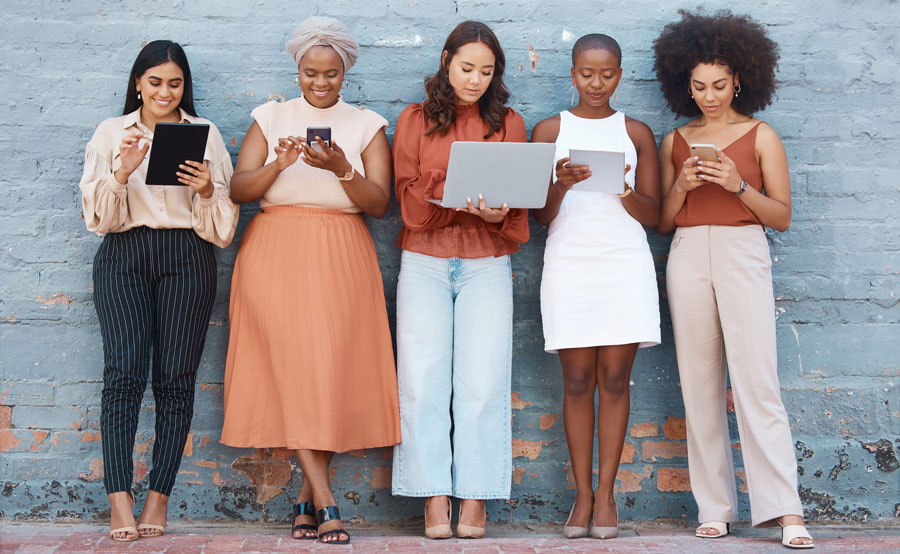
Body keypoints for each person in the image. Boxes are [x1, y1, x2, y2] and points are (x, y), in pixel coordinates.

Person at [219, 16, 400, 545]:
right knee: (290, 369)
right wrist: (279, 165)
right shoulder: (271, 116)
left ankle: (304, 498)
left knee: (327, 372)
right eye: (309, 73)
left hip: (341, 250)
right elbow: (238, 189)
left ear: (345, 73)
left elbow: (379, 204)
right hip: (275, 249)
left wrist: (343, 167)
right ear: (296, 70)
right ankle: (325, 501)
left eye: (330, 74)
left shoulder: (366, 124)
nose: (320, 84)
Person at [653, 10, 814, 549]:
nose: (709, 96)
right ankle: (714, 507)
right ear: (685, 85)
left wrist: (737, 184)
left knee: (756, 382)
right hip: (687, 252)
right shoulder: (675, 139)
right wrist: (682, 182)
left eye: (719, 85)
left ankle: (785, 510)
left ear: (740, 79)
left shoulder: (761, 134)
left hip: (743, 249)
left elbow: (782, 216)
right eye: (698, 86)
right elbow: (664, 220)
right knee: (698, 383)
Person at [79, 40, 238, 542]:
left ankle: (159, 496)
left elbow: (223, 227)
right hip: (124, 255)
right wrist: (123, 172)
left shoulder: (204, 134)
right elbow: (97, 219)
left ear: (184, 85)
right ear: (137, 83)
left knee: (175, 381)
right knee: (123, 375)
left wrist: (208, 189)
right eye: (154, 82)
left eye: (174, 83)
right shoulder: (112, 132)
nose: (165, 92)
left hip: (188, 256)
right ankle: (119, 497)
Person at [391, 20, 528, 540]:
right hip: (424, 261)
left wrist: (495, 215)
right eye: (467, 68)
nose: (475, 80)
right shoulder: (414, 120)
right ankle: (434, 497)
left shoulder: (509, 123)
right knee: (422, 382)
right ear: (446, 61)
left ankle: (475, 499)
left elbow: (515, 210)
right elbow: (407, 203)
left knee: (484, 382)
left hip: (487, 262)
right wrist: (449, 188)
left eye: (486, 72)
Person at [531, 34, 661, 540]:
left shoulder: (637, 133)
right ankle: (580, 498)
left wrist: (625, 187)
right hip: (570, 263)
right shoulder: (549, 131)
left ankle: (606, 496)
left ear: (620, 75)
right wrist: (561, 183)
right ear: (572, 73)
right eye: (587, 73)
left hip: (623, 264)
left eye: (607, 74)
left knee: (613, 379)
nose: (596, 84)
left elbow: (653, 216)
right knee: (578, 380)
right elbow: (539, 216)